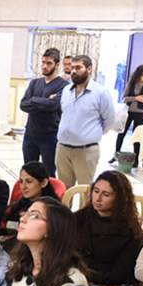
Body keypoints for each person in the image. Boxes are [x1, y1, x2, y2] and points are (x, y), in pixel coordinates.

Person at [74, 170, 143, 285]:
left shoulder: (130, 231)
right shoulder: (79, 218)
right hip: (74, 278)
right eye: (96, 191)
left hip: (106, 285)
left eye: (106, 194)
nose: (98, 198)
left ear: (119, 198)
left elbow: (119, 275)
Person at [55, 54, 116, 188]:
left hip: (86, 151)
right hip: (63, 149)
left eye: (78, 67)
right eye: (72, 68)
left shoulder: (100, 92)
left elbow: (109, 120)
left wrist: (90, 134)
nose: (73, 71)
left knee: (86, 192)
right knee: (64, 191)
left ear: (89, 69)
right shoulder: (66, 90)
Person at [20, 47, 69, 174]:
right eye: (43, 62)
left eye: (49, 63)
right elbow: (23, 104)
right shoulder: (34, 83)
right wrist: (43, 101)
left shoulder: (64, 86)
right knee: (29, 171)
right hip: (30, 134)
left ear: (57, 65)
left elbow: (53, 105)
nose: (44, 66)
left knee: (49, 173)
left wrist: (33, 100)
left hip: (50, 136)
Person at [2, 161, 62, 236]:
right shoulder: (19, 205)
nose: (23, 187)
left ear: (43, 183)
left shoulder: (53, 209)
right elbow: (7, 226)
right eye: (21, 181)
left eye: (29, 181)